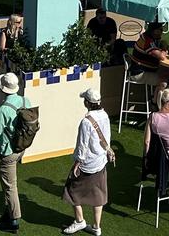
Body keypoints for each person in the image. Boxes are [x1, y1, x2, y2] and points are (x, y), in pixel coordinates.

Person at [0, 73, 32, 233]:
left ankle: (14, 220)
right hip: (21, 148)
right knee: (7, 182)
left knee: (10, 186)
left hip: (8, 153)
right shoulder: (25, 101)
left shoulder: (4, 109)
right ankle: (8, 212)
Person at [63, 88, 110, 235]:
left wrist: (77, 163)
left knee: (70, 190)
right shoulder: (105, 115)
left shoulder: (86, 122)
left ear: (88, 103)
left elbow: (82, 146)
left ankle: (79, 221)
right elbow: (106, 139)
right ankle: (96, 227)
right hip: (101, 161)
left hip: (88, 164)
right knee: (99, 195)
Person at [131, 22, 169, 87]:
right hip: (139, 73)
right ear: (154, 31)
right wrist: (164, 48)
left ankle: (157, 95)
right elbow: (162, 56)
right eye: (160, 30)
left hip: (145, 70)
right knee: (165, 80)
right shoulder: (147, 41)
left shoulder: (148, 38)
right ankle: (158, 97)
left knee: (168, 73)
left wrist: (164, 48)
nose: (162, 32)